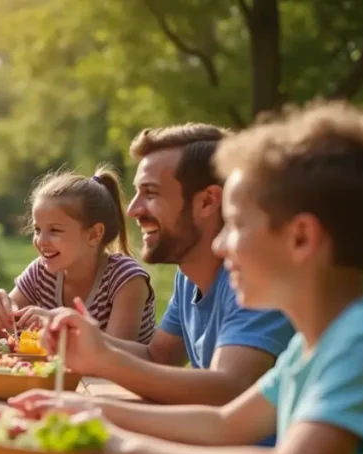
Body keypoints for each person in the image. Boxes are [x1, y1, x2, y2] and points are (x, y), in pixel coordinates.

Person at [14, 100, 363, 454]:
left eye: (236, 225)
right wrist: (89, 410)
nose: (221, 245)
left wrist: (119, 447)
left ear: (301, 238)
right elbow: (224, 423)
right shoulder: (313, 347)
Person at [26, 123, 295, 407]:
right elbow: (159, 356)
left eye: (151, 193)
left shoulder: (257, 274)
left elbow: (228, 388)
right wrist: (84, 339)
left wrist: (105, 362)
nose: (132, 210)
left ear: (207, 202)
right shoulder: (188, 276)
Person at [0, 165, 156, 344]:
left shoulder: (126, 279)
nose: (41, 241)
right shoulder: (40, 272)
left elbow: (118, 358)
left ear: (94, 234)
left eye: (54, 230)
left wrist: (59, 326)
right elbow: (0, 342)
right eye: (37, 230)